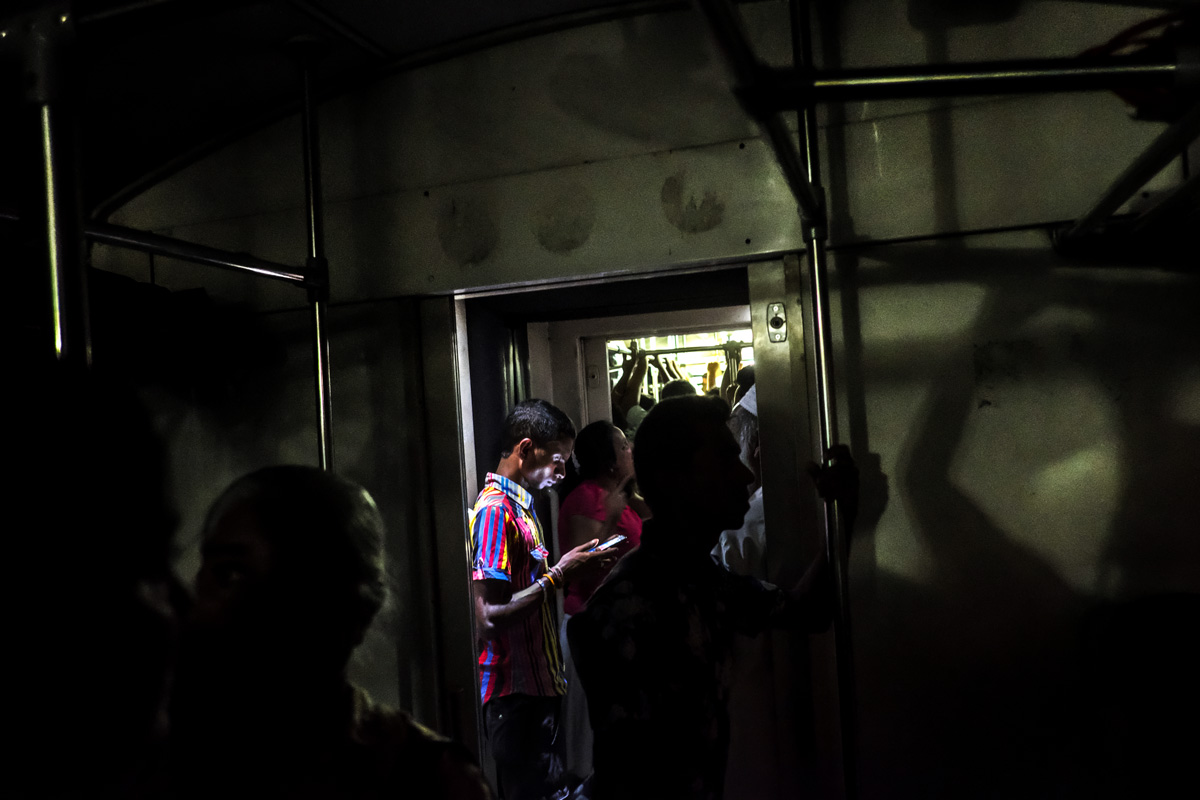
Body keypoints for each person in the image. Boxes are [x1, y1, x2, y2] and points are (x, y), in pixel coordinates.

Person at [567, 395, 854, 800]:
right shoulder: (630, 610)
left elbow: (809, 611)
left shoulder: (700, 578)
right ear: (674, 479)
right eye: (724, 459)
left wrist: (842, 515)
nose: (743, 476)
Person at [171, 465, 491, 799]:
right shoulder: (158, 757)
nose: (199, 605)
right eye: (224, 573)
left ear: (354, 609)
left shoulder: (428, 778)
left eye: (234, 574)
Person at [469, 399, 616, 800]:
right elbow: (487, 617)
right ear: (525, 448)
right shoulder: (497, 512)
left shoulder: (523, 507)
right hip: (515, 695)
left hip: (536, 691)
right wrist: (559, 576)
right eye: (556, 460)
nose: (562, 472)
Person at [555, 421, 651, 784]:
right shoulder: (586, 497)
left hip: (621, 629)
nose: (631, 451)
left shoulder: (623, 498)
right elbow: (587, 568)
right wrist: (611, 514)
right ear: (609, 460)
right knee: (595, 742)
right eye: (624, 446)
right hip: (591, 631)